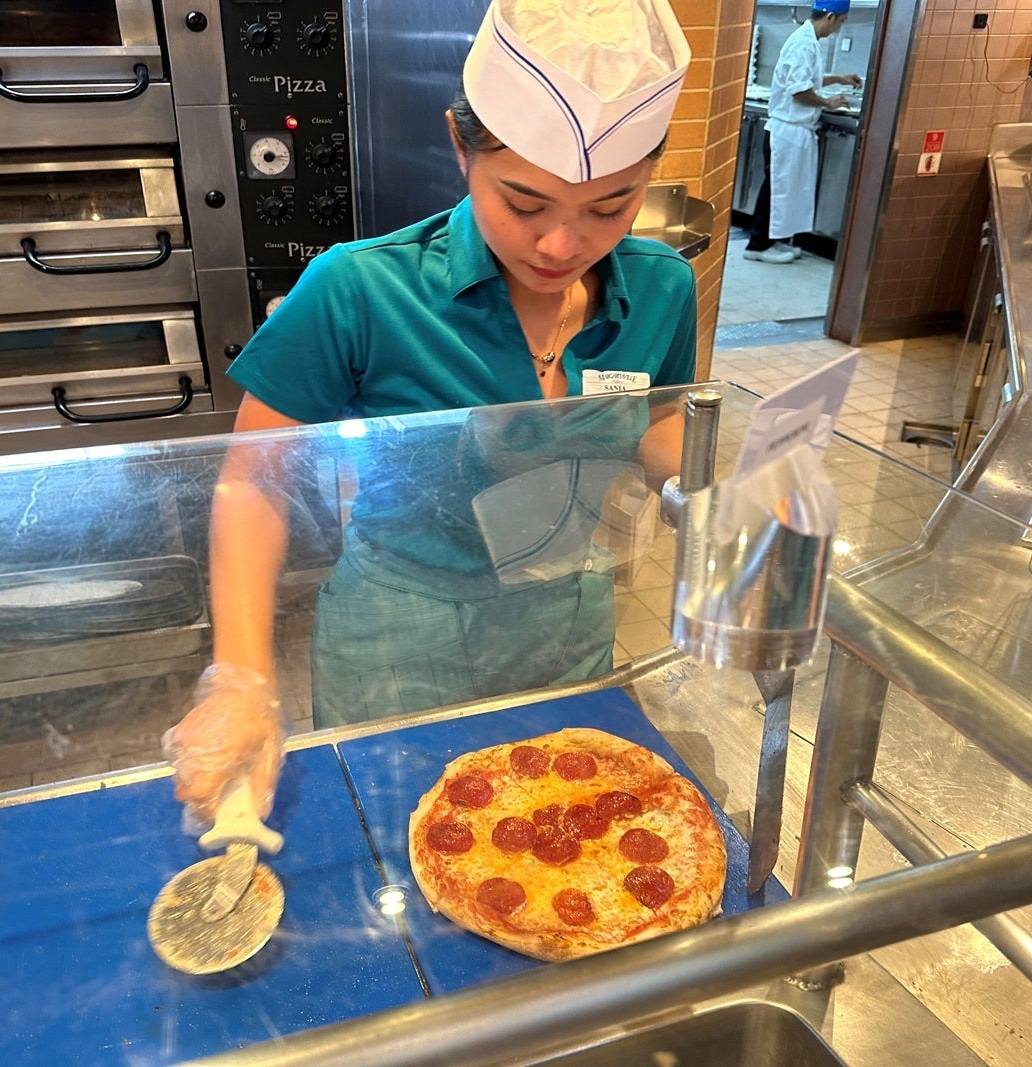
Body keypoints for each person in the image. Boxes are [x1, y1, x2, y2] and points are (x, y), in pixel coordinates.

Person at [163, 0, 698, 826]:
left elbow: (656, 424)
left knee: (568, 863)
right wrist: (241, 676)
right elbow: (254, 482)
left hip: (568, 626)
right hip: (400, 637)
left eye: (609, 208)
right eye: (524, 202)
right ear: (460, 145)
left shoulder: (664, 286)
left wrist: (723, 495)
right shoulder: (359, 288)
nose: (561, 244)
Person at [742, 0, 862, 264]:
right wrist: (828, 102)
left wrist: (839, 78)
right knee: (777, 189)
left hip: (794, 131)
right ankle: (758, 245)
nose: (839, 29)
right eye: (841, 22)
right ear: (830, 16)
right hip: (787, 130)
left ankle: (774, 241)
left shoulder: (808, 41)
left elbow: (808, 79)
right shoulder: (803, 44)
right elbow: (799, 90)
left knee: (786, 188)